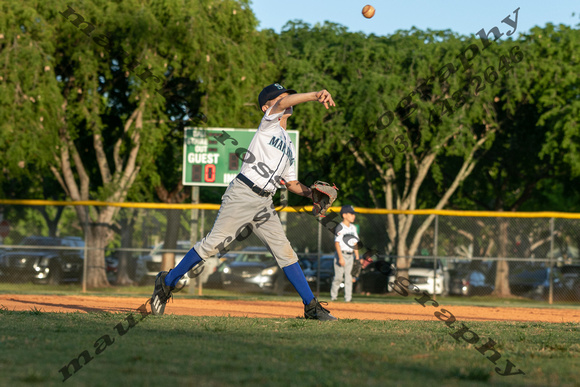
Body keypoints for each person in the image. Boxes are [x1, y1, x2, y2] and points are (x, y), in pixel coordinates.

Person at [150, 83, 338, 321]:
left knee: (286, 252)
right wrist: (314, 95)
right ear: (266, 107)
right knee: (211, 245)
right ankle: (166, 282)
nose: (286, 99)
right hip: (242, 193)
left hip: (265, 202)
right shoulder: (269, 124)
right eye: (281, 97)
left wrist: (312, 194)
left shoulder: (289, 144)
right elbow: (280, 104)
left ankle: (311, 306)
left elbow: (290, 183)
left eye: (288, 95)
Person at [331, 205, 360, 302]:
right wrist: (340, 258)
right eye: (351, 214)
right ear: (344, 215)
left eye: (353, 214)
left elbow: (355, 243)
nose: (353, 216)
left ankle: (348, 299)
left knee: (349, 278)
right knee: (338, 278)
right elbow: (337, 243)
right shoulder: (340, 227)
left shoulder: (353, 228)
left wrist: (357, 257)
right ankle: (333, 297)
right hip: (341, 255)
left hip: (350, 255)